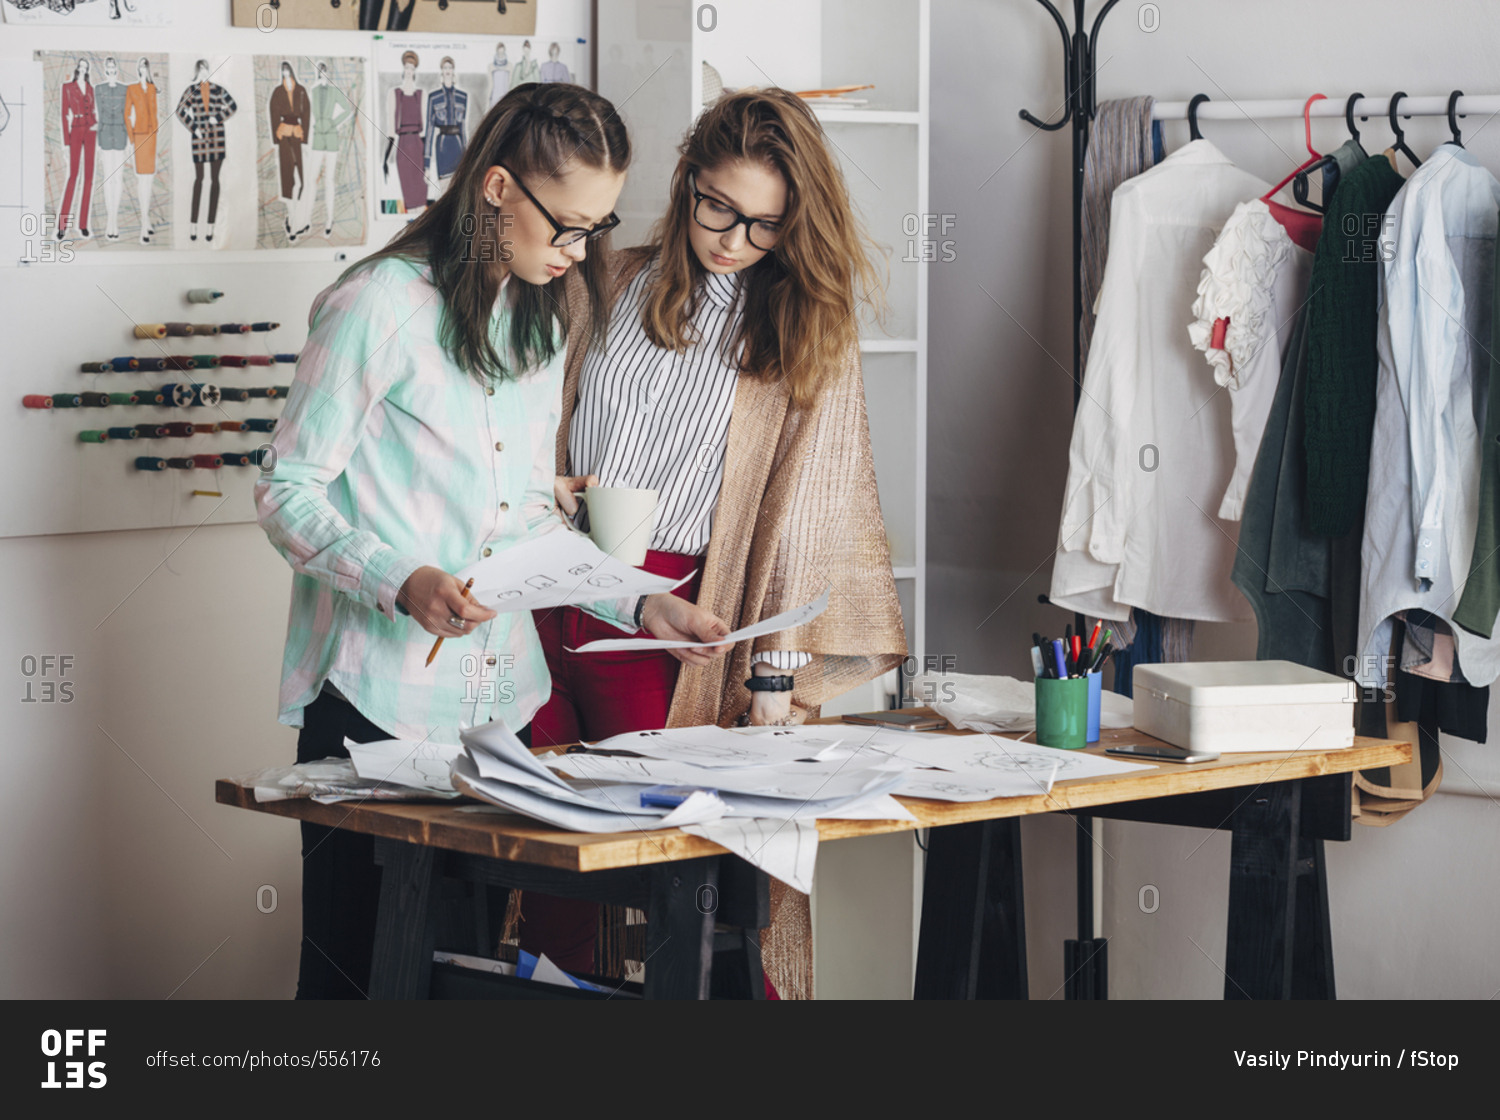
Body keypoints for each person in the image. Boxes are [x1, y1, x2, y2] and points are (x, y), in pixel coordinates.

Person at [256, 81, 725, 999]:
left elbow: (525, 520)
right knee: (357, 988)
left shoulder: (540, 317)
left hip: (494, 717)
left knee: (464, 986)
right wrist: (403, 580)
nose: (581, 251)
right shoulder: (375, 304)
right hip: (375, 709)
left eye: (597, 226)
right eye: (567, 226)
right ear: (499, 188)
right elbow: (285, 489)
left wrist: (639, 601)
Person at [526, 88, 908, 998]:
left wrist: (772, 676)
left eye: (765, 225)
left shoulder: (802, 328)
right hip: (543, 595)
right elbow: (534, 426)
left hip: (671, 620)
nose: (734, 239)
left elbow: (808, 523)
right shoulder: (605, 280)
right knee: (544, 878)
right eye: (718, 208)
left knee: (684, 885)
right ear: (687, 180)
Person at [174, 58, 237, 243]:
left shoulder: (218, 89)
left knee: (215, 181)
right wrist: (194, 128)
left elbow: (233, 106)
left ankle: (210, 226)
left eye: (206, 69)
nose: (204, 72)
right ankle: (193, 224)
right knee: (199, 180)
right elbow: (180, 111)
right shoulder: (191, 90)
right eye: (200, 70)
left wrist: (217, 118)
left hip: (217, 139)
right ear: (197, 71)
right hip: (199, 140)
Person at [268, 61, 310, 242]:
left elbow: (307, 112)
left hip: (298, 133)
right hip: (285, 132)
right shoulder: (278, 91)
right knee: (287, 178)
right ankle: (292, 222)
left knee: (302, 180)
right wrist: (276, 135)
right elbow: (273, 112)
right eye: (283, 71)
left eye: (287, 70)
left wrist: (305, 136)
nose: (285, 73)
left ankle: (297, 221)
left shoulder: (300, 90)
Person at [58, 58, 96, 241]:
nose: (82, 69)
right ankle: (61, 226)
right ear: (77, 68)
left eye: (85, 67)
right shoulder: (67, 87)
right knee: (73, 176)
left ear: (87, 69)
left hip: (90, 130)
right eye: (80, 66)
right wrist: (66, 142)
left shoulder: (90, 88)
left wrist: (97, 126)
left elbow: (93, 111)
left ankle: (83, 225)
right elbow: (65, 115)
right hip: (76, 128)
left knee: (89, 177)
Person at [93, 57, 128, 242]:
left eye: (114, 68)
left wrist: (129, 140)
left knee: (118, 178)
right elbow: (98, 114)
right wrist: (99, 142)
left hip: (121, 135)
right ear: (105, 70)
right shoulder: (99, 89)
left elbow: (128, 114)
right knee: (108, 179)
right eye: (108, 68)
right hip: (106, 135)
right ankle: (110, 222)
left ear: (117, 69)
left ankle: (115, 220)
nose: (111, 71)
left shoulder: (125, 89)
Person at [124, 57, 158, 244]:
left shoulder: (152, 89)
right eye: (140, 67)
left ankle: (148, 221)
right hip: (139, 136)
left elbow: (154, 111)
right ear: (137, 69)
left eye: (146, 67)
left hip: (152, 136)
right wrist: (131, 138)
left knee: (150, 181)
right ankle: (144, 226)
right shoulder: (132, 89)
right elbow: (127, 114)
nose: (143, 70)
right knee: (142, 181)